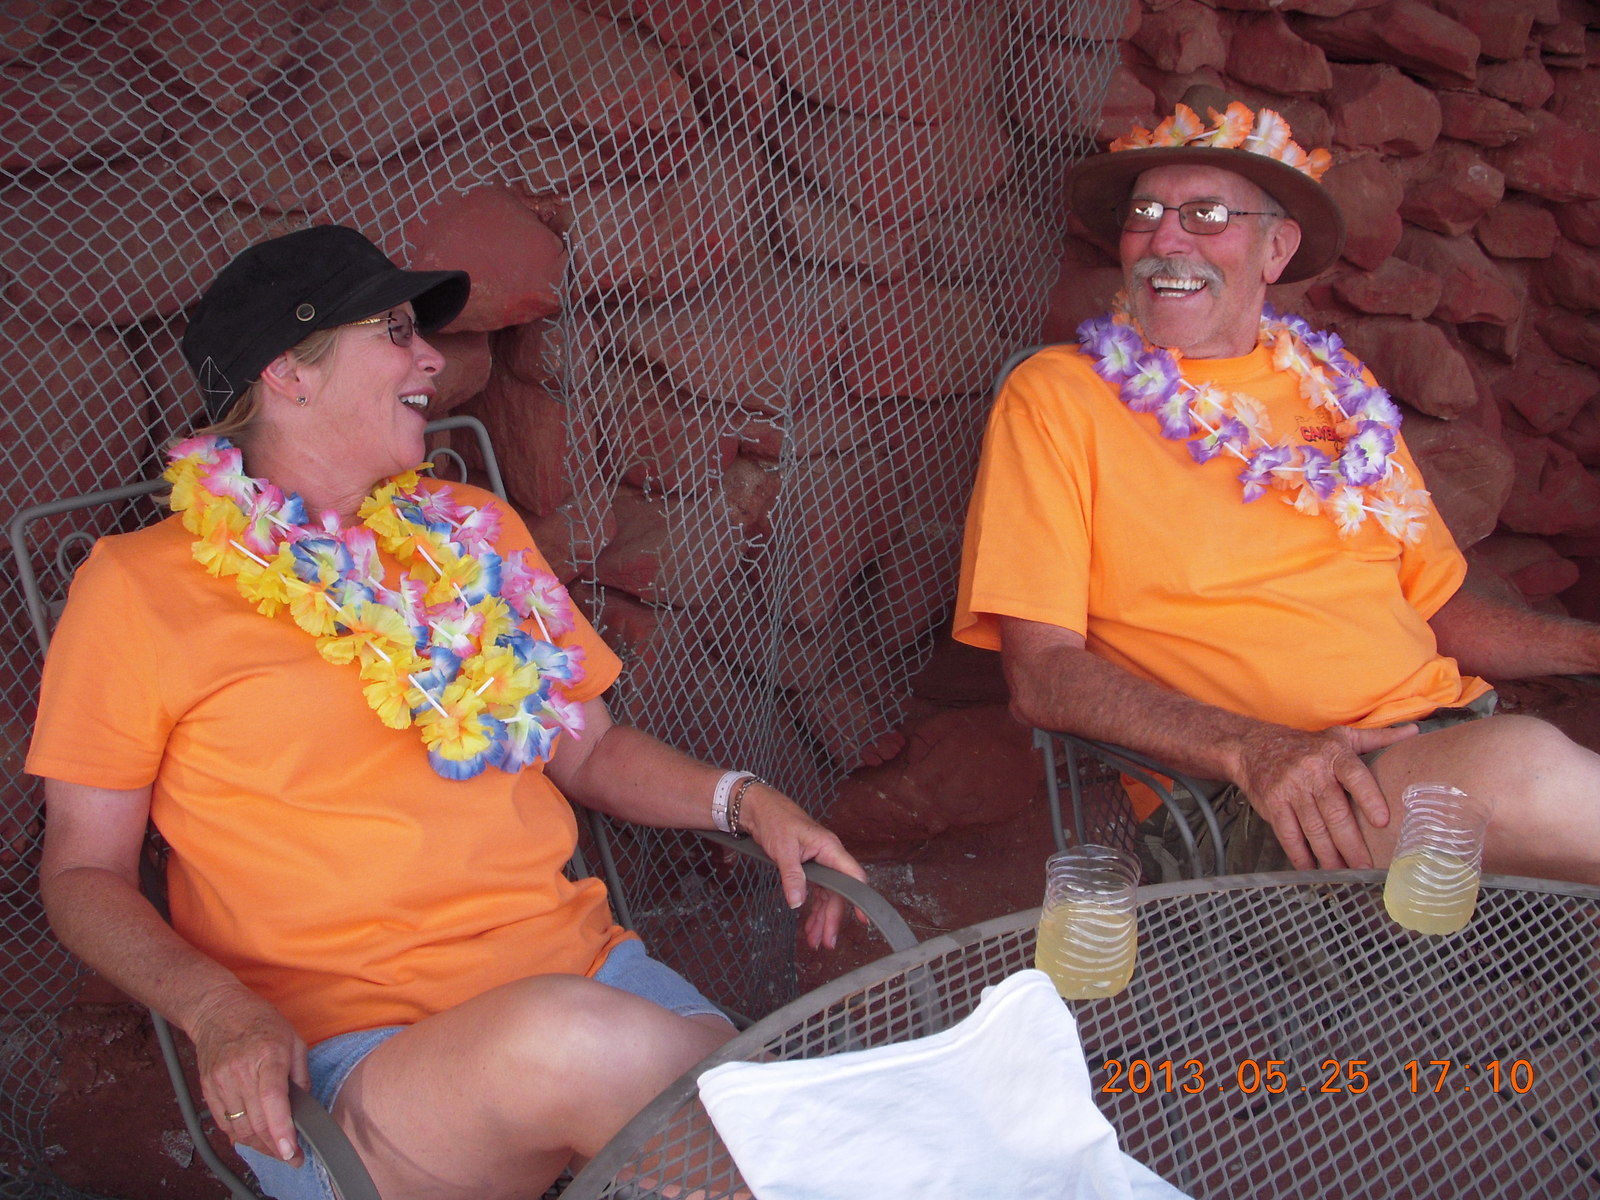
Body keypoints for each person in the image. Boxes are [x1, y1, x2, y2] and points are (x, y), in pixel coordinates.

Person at [28, 224, 867, 1199]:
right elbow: (82, 872)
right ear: (288, 373)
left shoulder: (476, 536)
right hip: (356, 1061)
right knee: (667, 1084)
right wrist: (216, 1009)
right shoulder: (136, 587)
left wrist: (745, 799)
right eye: (395, 331)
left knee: (664, 1081)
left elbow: (590, 753)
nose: (432, 357)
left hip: (596, 981)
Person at [954, 85, 1600, 886]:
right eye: (1145, 213)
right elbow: (1041, 674)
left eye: (1207, 216)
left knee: (1531, 775)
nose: (1166, 239)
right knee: (1530, 775)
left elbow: (1436, 607)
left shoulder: (1337, 387)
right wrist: (1252, 747)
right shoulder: (1059, 397)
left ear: (1277, 250)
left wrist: (1588, 647)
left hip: (1447, 732)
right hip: (1265, 796)